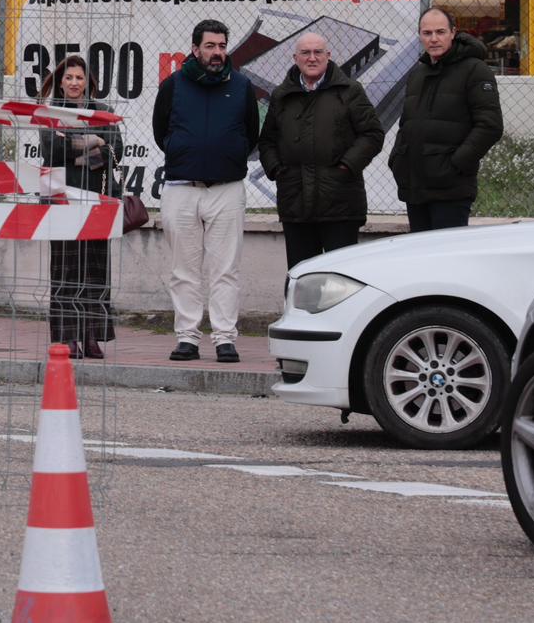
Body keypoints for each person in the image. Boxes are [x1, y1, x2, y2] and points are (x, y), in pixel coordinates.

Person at [152, 19, 260, 364]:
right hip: (181, 188)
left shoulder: (241, 86)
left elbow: (251, 133)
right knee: (184, 269)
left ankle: (225, 338)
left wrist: (228, 155)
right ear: (195, 48)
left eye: (222, 46)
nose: (217, 53)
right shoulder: (173, 85)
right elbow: (161, 131)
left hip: (227, 189)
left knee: (225, 269)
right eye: (210, 46)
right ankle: (187, 337)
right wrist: (183, 151)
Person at [257, 32, 385, 268]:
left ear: (328, 56)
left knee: (342, 276)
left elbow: (372, 134)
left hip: (340, 203)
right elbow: (267, 141)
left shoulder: (350, 91)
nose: (312, 58)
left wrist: (346, 167)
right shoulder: (281, 95)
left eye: (318, 52)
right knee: (301, 274)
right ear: (295, 58)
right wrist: (277, 170)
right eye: (305, 53)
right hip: (295, 203)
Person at [388, 7, 504, 232]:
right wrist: (398, 160)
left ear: (453, 33)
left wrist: (454, 165)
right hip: (415, 188)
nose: (434, 39)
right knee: (419, 252)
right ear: (420, 36)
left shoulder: (475, 70)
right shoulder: (417, 74)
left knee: (446, 253)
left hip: (451, 190)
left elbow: (490, 126)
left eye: (440, 32)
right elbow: (407, 124)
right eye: (427, 33)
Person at [38, 55, 121, 359]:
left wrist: (76, 150)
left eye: (80, 77)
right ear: (60, 82)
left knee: (95, 269)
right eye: (69, 77)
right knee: (65, 269)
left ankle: (91, 335)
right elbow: (52, 149)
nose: (74, 83)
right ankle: (67, 337)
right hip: (61, 201)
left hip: (96, 200)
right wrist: (93, 140)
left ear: (88, 82)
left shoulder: (102, 111)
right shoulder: (50, 113)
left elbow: (115, 151)